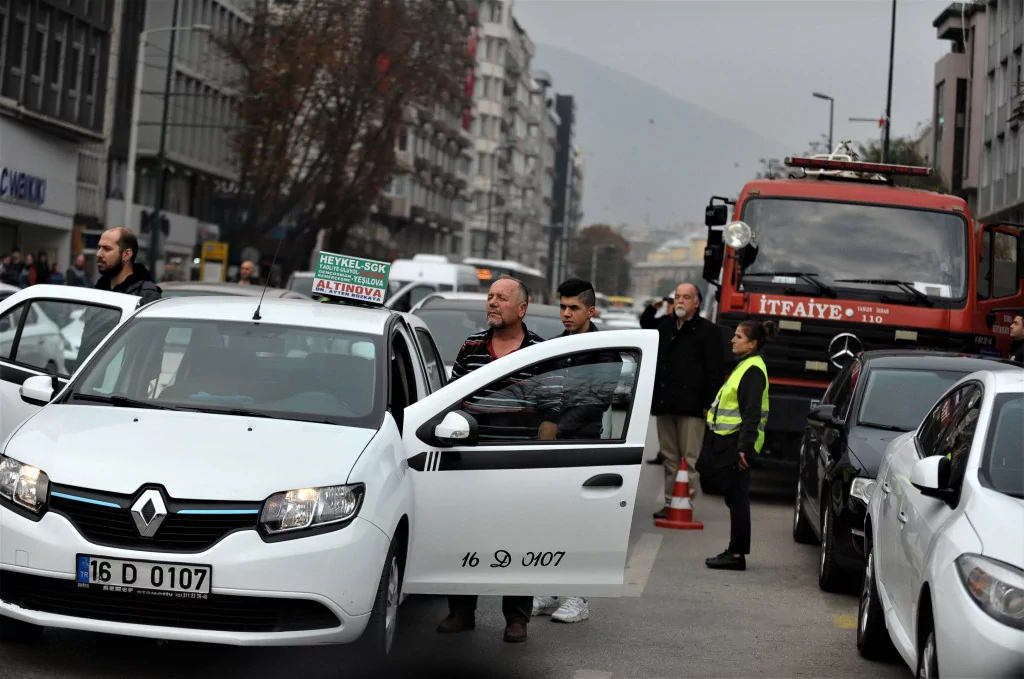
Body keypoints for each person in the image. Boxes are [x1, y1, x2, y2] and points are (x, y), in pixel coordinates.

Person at [438, 275, 555, 644]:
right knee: (465, 536)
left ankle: (516, 619)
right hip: (471, 460)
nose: (492, 302)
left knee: (517, 540)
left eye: (501, 298)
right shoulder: (471, 347)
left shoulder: (540, 351)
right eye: (490, 296)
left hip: (519, 463)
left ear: (522, 308)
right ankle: (461, 612)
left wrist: (540, 462)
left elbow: (551, 411)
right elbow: (452, 399)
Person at [532, 278, 620, 625]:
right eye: (563, 307)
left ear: (591, 310)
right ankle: (550, 590)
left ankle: (577, 596)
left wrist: (556, 428)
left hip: (582, 444)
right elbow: (543, 392)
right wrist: (545, 426)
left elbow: (597, 400)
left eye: (574, 308)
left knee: (579, 522)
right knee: (550, 518)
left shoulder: (605, 350)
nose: (566, 313)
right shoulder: (555, 346)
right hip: (551, 442)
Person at [644, 283, 725, 518]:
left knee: (689, 459)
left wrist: (708, 404)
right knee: (669, 457)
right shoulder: (666, 326)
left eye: (686, 297)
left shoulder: (708, 332)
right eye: (677, 297)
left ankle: (685, 502)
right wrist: (652, 309)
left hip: (693, 407)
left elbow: (715, 372)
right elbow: (645, 327)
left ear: (696, 302)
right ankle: (670, 502)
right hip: (666, 405)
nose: (680, 301)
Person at [701, 320, 776, 571]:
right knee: (735, 497)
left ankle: (736, 554)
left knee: (738, 498)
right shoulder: (746, 365)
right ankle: (735, 551)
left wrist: (744, 448)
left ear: (752, 344)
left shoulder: (752, 370)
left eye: (739, 337)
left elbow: (751, 413)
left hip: (736, 442)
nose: (733, 340)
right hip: (731, 440)